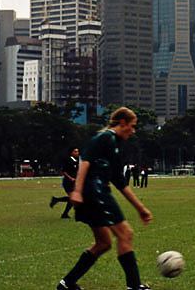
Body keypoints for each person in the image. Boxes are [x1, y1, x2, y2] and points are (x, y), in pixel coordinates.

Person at [57, 107, 152, 290]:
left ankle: (66, 284)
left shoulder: (115, 145)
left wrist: (140, 208)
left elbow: (120, 182)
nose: (133, 131)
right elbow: (85, 162)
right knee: (125, 234)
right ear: (122, 123)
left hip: (95, 192)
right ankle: (134, 286)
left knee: (103, 243)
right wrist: (77, 190)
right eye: (132, 126)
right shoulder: (105, 137)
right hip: (95, 192)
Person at [50, 148, 80, 219]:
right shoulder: (68, 160)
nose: (77, 153)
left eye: (78, 151)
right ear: (71, 153)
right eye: (75, 151)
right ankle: (57, 201)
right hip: (68, 183)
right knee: (73, 198)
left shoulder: (77, 161)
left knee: (73, 199)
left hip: (74, 183)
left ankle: (64, 213)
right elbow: (63, 171)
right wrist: (71, 178)